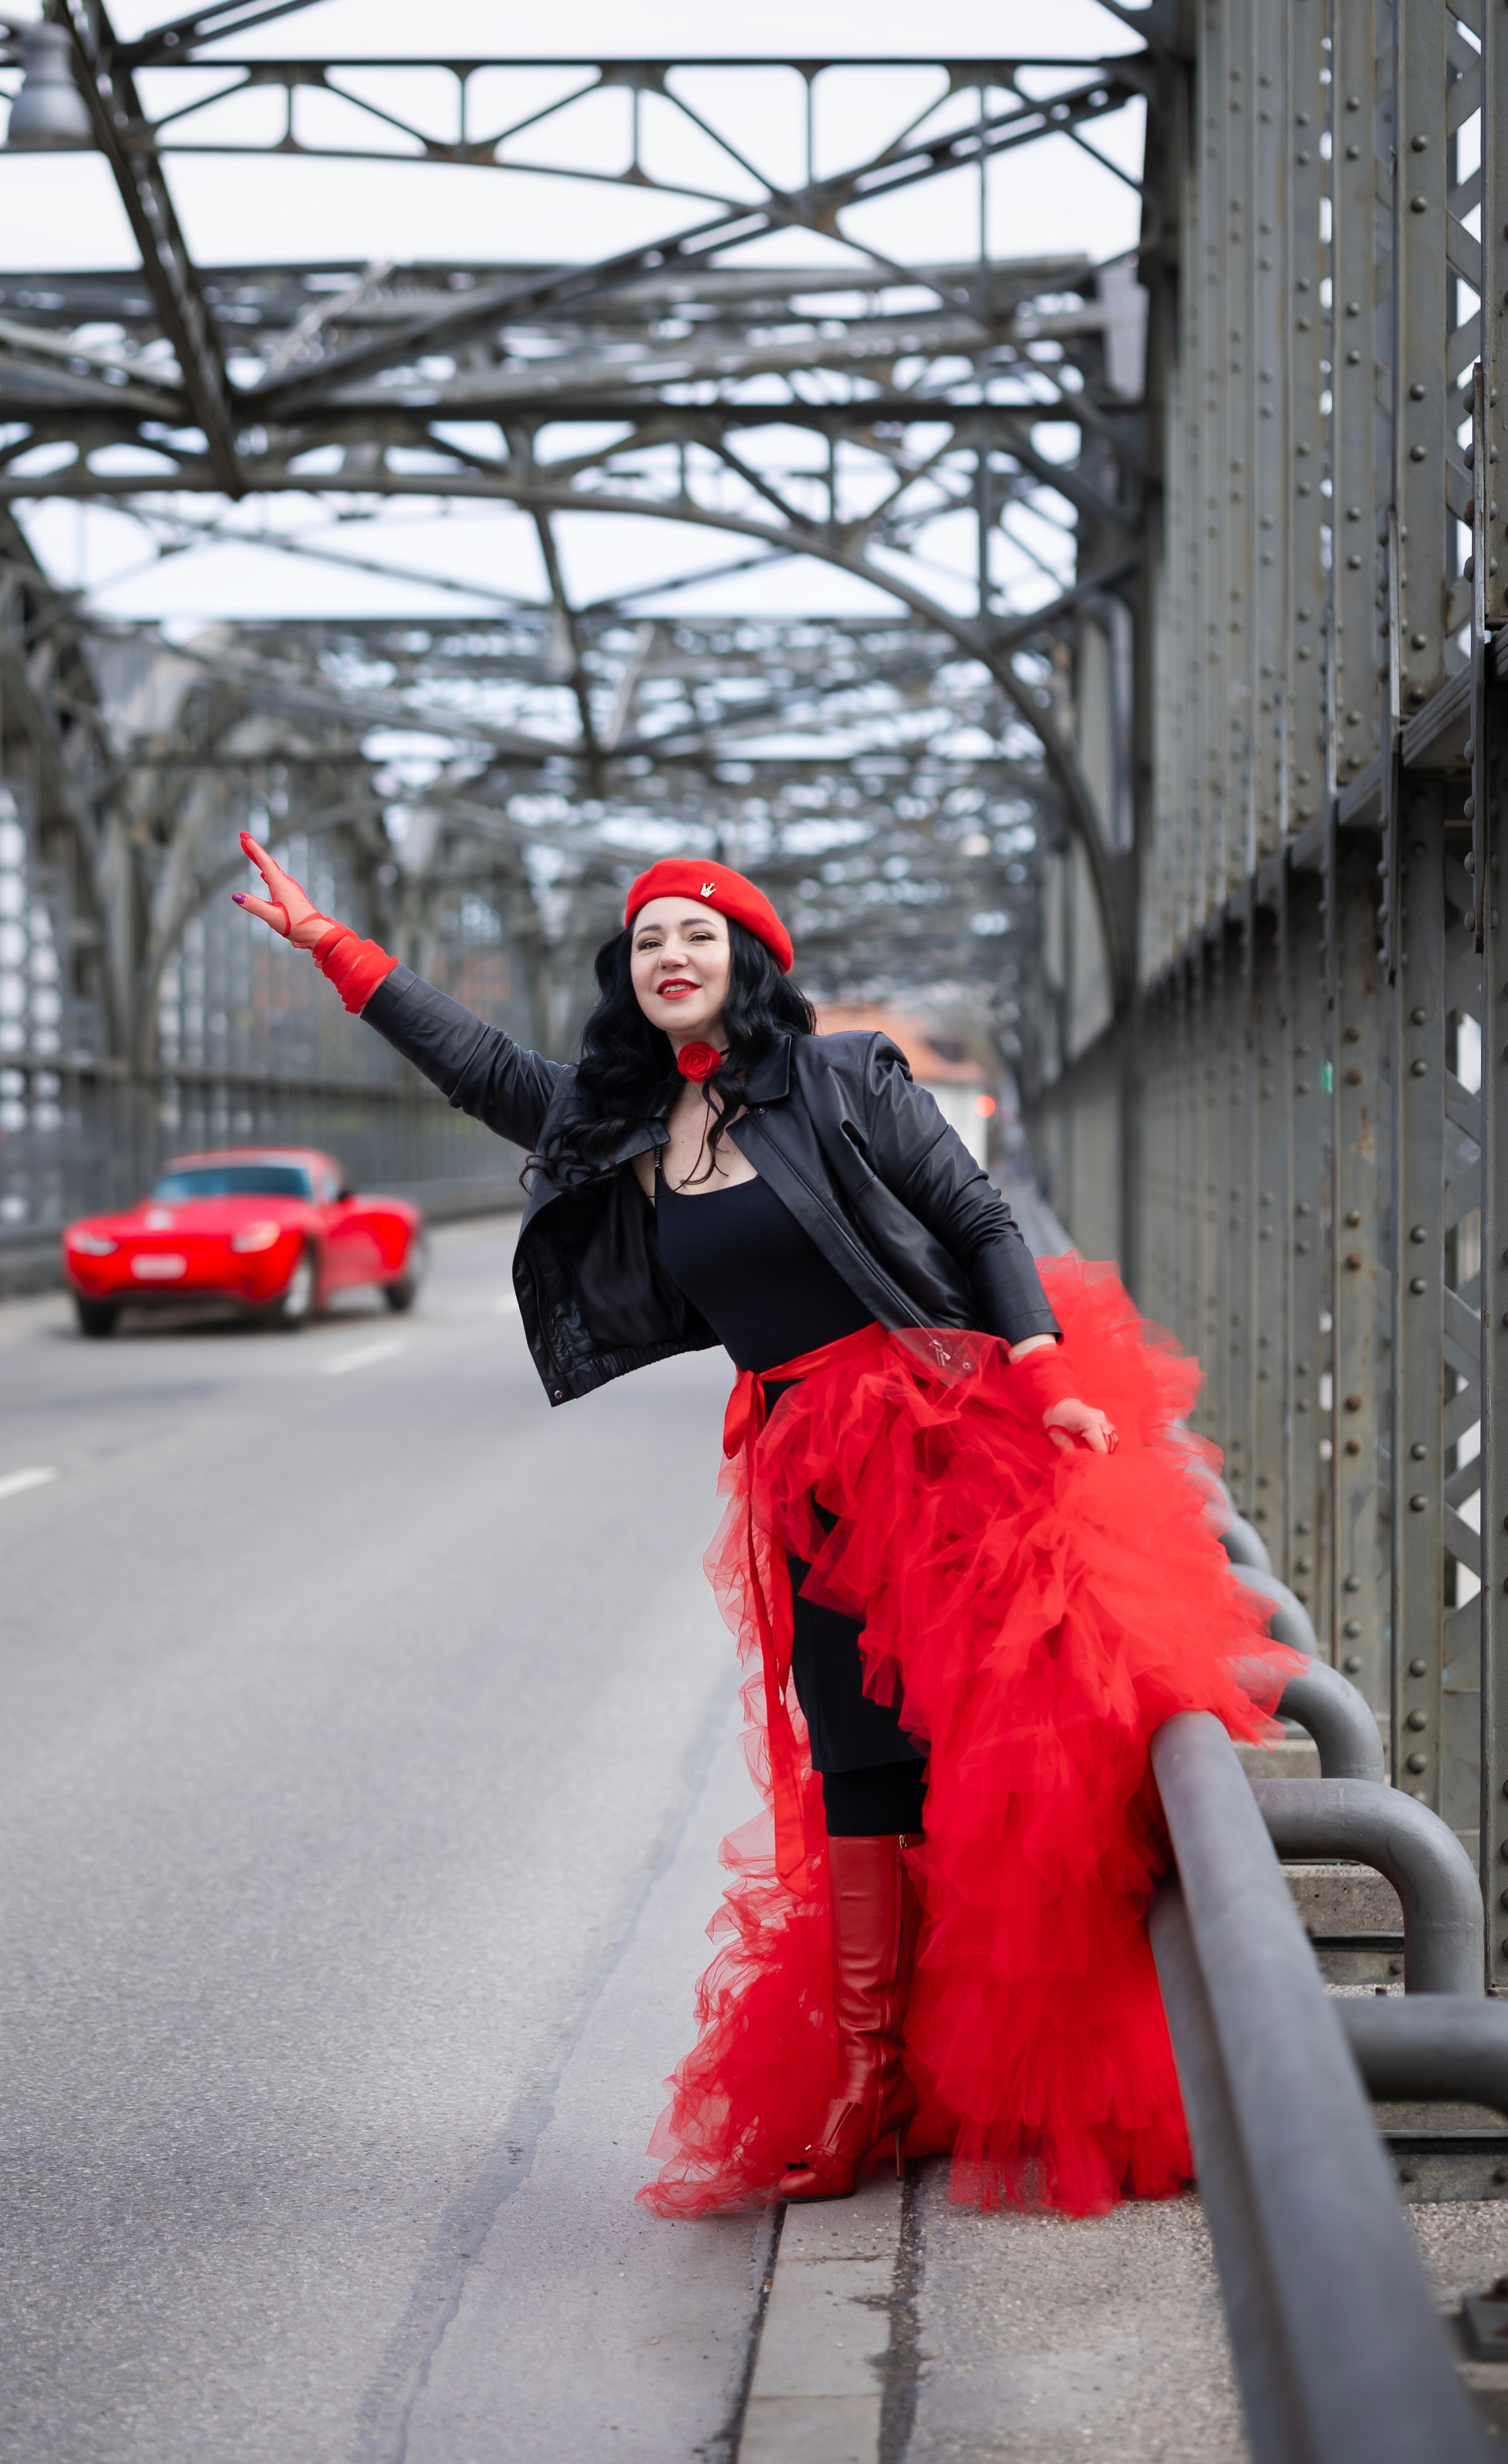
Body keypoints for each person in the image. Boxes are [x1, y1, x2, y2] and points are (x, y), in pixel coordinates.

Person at [233, 836, 1293, 2216]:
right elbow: (485, 1069)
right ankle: (870, 2081)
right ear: (628, 979)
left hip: (936, 1433)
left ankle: (1118, 2055)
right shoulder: (621, 1126)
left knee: (1017, 1762)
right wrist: (336, 949)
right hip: (801, 1457)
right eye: (646, 943)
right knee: (854, 1762)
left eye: (697, 935)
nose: (670, 956)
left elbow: (971, 1215)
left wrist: (1036, 1369)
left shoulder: (838, 1076)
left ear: (745, 961)